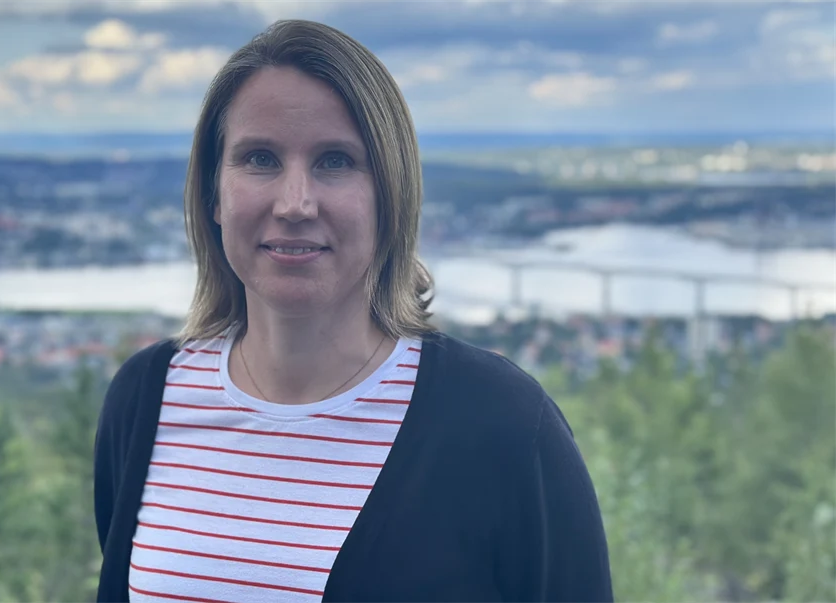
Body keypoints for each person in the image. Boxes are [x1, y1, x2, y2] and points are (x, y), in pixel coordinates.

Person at [94, 19, 613, 603]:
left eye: (335, 161)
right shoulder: (146, 400)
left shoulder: (505, 425)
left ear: (390, 195)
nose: (295, 203)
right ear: (214, 193)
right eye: (260, 158)